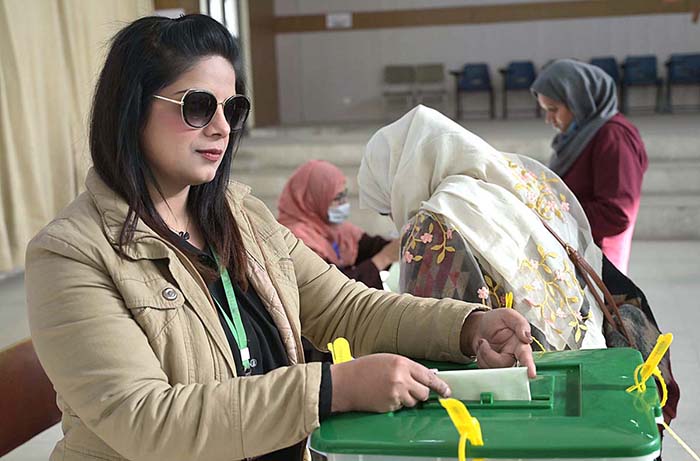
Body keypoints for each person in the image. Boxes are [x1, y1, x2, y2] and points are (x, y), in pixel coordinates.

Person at [24, 15, 536, 461]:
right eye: (198, 106)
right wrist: (331, 389)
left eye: (233, 109)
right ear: (131, 108)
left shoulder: (242, 217)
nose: (222, 128)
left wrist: (467, 327)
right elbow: (145, 419)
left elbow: (346, 308)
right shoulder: (71, 254)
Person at [358, 104, 678, 425]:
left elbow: (427, 330)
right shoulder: (508, 182)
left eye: (387, 207)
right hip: (589, 364)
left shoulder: (431, 225)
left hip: (525, 393)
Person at [530, 59, 649, 275]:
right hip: (578, 251)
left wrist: (552, 214)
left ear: (578, 102)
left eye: (553, 109)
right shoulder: (581, 137)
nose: (549, 119)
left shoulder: (614, 137)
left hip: (598, 260)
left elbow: (617, 214)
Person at [278, 159, 399, 290]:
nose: (344, 203)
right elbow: (329, 289)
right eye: (337, 198)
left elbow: (370, 246)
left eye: (344, 195)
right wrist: (382, 259)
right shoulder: (296, 240)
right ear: (314, 199)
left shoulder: (334, 229)